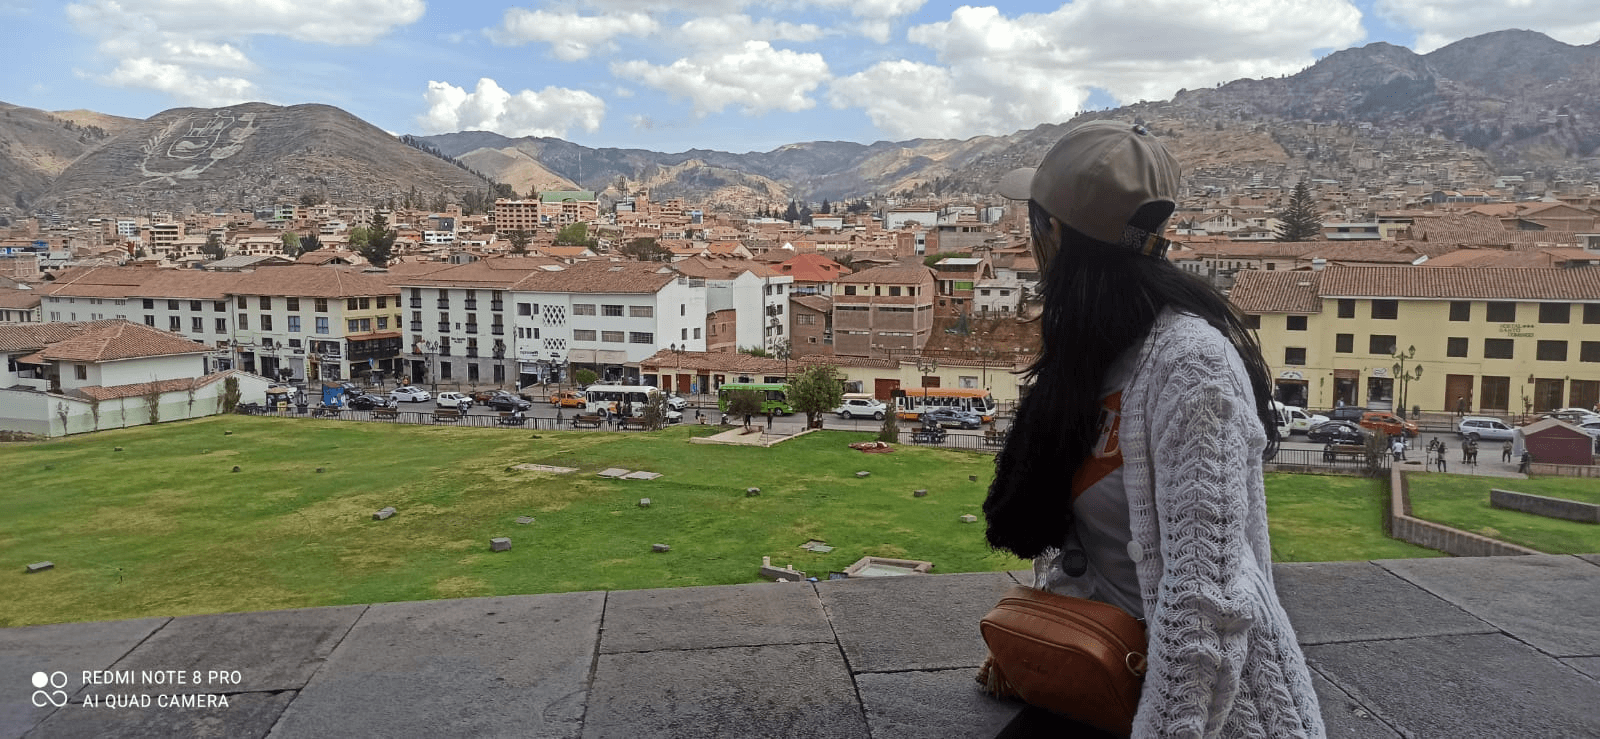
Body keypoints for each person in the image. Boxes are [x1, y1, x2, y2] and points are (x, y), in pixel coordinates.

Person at [984, 121, 1324, 738]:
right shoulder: (1090, 350)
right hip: (1102, 675)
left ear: (1053, 233)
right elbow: (1083, 549)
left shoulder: (1192, 367)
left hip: (1198, 715)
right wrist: (1040, 651)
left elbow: (1207, 604)